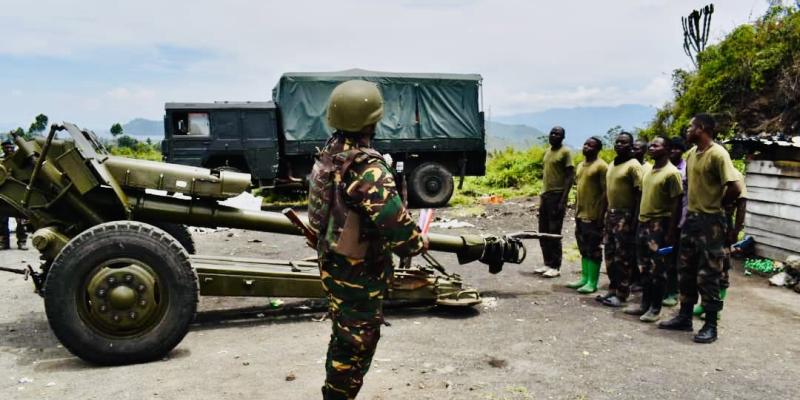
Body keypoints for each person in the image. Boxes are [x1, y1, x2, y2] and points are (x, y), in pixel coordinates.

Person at [307, 80, 426, 399]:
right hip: (357, 274)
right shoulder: (367, 169)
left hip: (332, 263)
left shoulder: (331, 152)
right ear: (373, 119)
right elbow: (401, 234)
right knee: (357, 344)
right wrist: (417, 242)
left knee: (343, 334)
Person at [659, 113, 740, 344]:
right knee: (686, 269)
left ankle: (711, 324)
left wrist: (719, 206)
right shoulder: (691, 155)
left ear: (702, 128)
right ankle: (684, 316)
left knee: (709, 273)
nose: (687, 130)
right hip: (692, 220)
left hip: (711, 222)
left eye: (690, 127)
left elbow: (733, 187)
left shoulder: (718, 154)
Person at [623, 136, 683, 322]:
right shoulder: (648, 170)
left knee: (658, 270)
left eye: (656, 145)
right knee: (644, 268)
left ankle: (655, 308)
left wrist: (671, 232)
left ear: (666, 149)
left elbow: (677, 204)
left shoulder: (671, 173)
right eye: (651, 145)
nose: (651, 147)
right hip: (644, 224)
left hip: (660, 225)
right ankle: (644, 304)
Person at [597, 132, 643, 307]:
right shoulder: (612, 164)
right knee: (609, 253)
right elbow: (608, 193)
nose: (619, 145)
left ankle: (622, 294)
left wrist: (634, 220)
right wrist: (603, 215)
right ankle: (612, 289)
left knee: (623, 256)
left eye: (623, 143)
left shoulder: (634, 166)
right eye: (617, 142)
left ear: (631, 146)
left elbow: (640, 194)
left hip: (626, 215)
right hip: (611, 214)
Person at [694, 170, 747, 319]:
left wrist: (736, 230)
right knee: (704, 266)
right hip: (705, 224)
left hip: (724, 226)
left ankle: (716, 308)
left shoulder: (735, 175)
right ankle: (704, 304)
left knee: (721, 266)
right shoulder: (708, 172)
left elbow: (742, 204)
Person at [566, 136, 607, 294]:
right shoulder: (580, 166)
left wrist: (601, 215)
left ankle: (592, 282)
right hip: (580, 213)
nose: (587, 147)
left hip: (594, 215)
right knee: (583, 248)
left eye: (591, 146)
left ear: (598, 149)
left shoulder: (601, 166)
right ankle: (584, 277)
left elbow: (605, 192)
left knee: (594, 248)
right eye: (585, 144)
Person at [533, 126, 574, 278]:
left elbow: (570, 176)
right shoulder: (548, 151)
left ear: (563, 137)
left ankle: (556, 266)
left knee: (554, 232)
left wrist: (563, 200)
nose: (554, 135)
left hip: (557, 196)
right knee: (542, 231)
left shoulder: (565, 152)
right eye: (552, 133)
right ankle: (547, 263)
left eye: (557, 134)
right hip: (545, 196)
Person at [662, 137, 688, 307]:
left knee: (675, 259)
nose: (672, 152)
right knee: (663, 256)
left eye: (676, 149)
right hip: (663, 219)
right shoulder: (664, 168)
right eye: (670, 149)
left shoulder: (684, 170)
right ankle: (664, 289)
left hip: (680, 219)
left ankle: (674, 292)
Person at [0, 139, 27, 250]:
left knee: (21, 219)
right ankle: (4, 242)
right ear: (3, 148)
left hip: (18, 192)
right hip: (4, 193)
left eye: (11, 147)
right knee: (2, 220)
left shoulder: (18, 160)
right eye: (6, 147)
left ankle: (22, 241)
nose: (9, 149)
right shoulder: (1, 160)